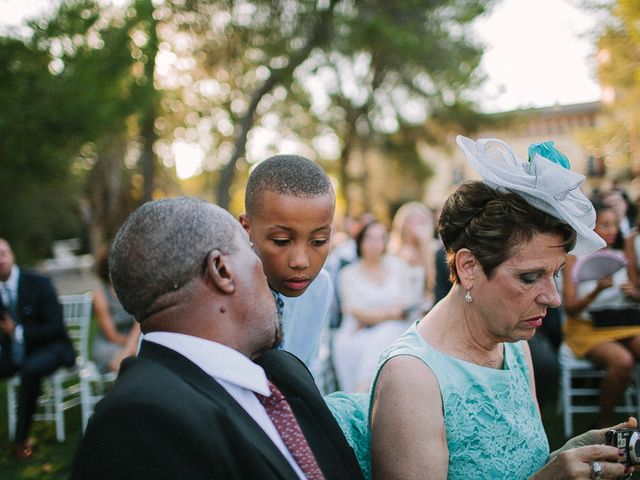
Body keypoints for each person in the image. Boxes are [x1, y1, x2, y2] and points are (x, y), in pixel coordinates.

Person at [367, 137, 634, 479]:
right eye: (529, 277)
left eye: (555, 274)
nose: (552, 297)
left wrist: (569, 454)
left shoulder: (516, 348)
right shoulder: (411, 378)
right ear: (468, 267)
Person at [71, 197, 363, 480]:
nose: (269, 271)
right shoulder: (139, 422)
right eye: (252, 252)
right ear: (222, 270)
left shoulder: (286, 372)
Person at [239, 154, 335, 376]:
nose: (301, 261)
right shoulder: (207, 294)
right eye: (281, 241)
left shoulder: (320, 288)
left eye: (319, 241)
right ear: (246, 228)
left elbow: (306, 369)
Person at [562, 200, 640, 428]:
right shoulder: (574, 257)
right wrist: (597, 290)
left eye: (614, 224)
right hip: (587, 327)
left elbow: (637, 290)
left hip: (621, 322)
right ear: (591, 227)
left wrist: (633, 292)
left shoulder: (622, 253)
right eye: (605, 224)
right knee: (623, 361)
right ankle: (604, 424)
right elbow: (570, 307)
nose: (612, 229)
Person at [0, 238, 76, 459]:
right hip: (15, 355)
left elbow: (55, 327)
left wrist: (17, 332)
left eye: (3, 253)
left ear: (12, 255)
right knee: (26, 366)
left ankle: (20, 440)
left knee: (30, 370)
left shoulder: (39, 283)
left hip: (53, 348)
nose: (0, 260)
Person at [332, 220, 417, 392]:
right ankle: (361, 391)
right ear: (360, 241)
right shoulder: (348, 274)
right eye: (370, 238)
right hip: (357, 330)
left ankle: (364, 388)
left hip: (395, 327)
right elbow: (354, 311)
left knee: (388, 330)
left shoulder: (398, 265)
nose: (376, 244)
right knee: (354, 342)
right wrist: (391, 312)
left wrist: (375, 316)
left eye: (380, 238)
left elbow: (408, 304)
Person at [91, 244, 138, 373]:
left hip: (133, 343)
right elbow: (111, 335)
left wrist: (131, 345)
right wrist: (131, 346)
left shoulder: (134, 290)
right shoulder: (100, 295)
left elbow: (138, 323)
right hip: (109, 345)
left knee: (129, 360)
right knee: (125, 362)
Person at [388, 201, 437, 309]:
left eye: (423, 220)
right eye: (415, 220)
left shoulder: (435, 249)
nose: (420, 225)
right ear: (403, 224)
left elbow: (433, 283)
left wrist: (424, 245)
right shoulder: (393, 251)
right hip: (400, 306)